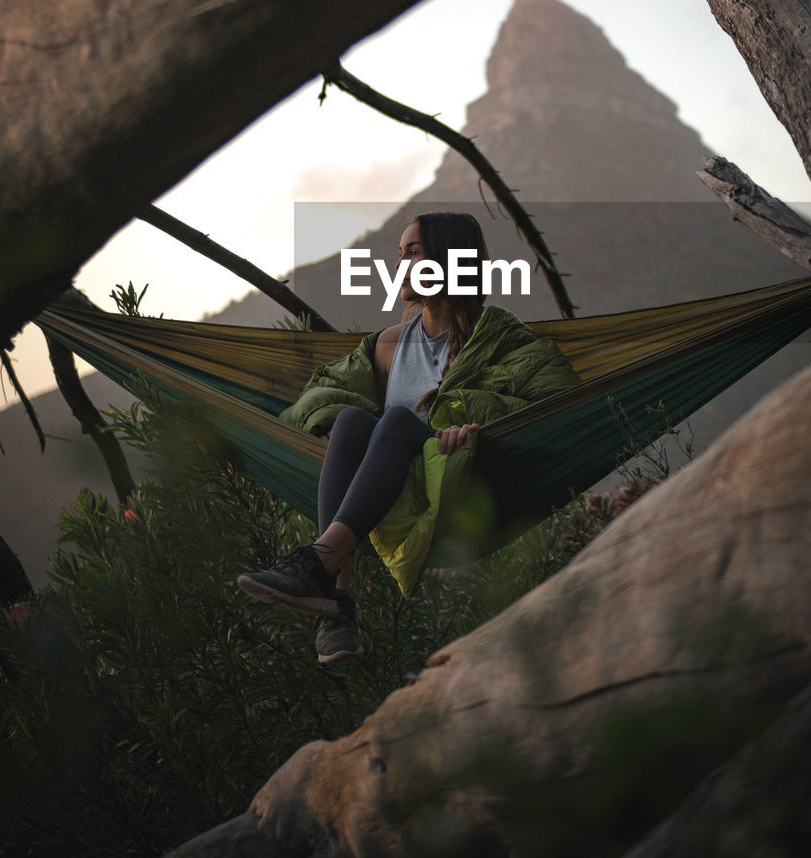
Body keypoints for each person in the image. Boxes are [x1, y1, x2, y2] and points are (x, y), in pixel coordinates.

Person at [237, 211, 579, 663]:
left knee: (397, 421)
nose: (400, 266)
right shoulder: (386, 345)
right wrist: (323, 429)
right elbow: (318, 396)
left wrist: (469, 415)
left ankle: (318, 567)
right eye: (400, 255)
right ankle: (337, 601)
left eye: (414, 253)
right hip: (388, 491)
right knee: (352, 421)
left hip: (461, 485)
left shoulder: (500, 337)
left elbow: (561, 401)